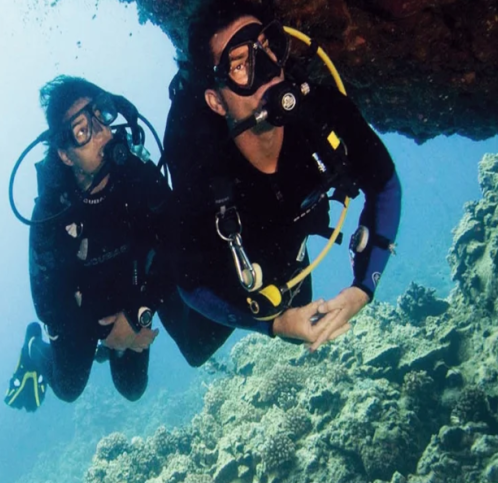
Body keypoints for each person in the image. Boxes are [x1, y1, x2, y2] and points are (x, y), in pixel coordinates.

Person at [167, 0, 402, 351]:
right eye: (240, 65)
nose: (266, 71)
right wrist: (272, 325)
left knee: (297, 327)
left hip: (289, 250)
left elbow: (385, 185)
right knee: (196, 350)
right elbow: (191, 285)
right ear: (216, 101)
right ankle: (151, 260)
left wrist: (363, 288)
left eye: (266, 48)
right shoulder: (203, 169)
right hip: (230, 263)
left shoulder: (322, 116)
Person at [5, 76, 176, 412]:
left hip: (129, 296)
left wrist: (137, 314)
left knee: (133, 388)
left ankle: (112, 343)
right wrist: (106, 331)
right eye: (83, 131)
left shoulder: (136, 174)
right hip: (77, 313)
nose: (101, 134)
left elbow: (176, 241)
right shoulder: (52, 212)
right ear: (65, 155)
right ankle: (33, 349)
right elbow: (47, 305)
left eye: (102, 116)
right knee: (68, 389)